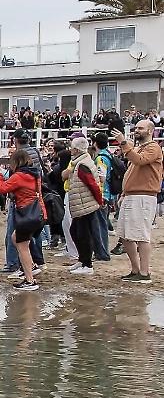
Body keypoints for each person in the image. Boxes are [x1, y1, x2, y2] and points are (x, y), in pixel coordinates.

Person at [113, 120, 163, 283]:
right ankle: (135, 270)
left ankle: (145, 272)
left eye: (140, 128)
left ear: (150, 130)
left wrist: (123, 143)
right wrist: (124, 193)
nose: (136, 130)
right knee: (126, 236)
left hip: (144, 196)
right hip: (131, 196)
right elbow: (131, 170)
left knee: (141, 235)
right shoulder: (137, 148)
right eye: (136, 128)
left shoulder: (153, 147)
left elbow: (139, 160)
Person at [0, 149, 46, 290]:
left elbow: (1, 189)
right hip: (38, 213)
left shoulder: (19, 176)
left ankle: (30, 281)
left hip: (26, 215)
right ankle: (32, 267)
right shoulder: (34, 173)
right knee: (16, 238)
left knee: (22, 246)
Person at [62, 136, 104, 275]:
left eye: (72, 148)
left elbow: (92, 184)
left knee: (83, 233)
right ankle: (82, 260)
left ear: (76, 149)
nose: (70, 150)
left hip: (85, 203)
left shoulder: (82, 164)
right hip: (82, 202)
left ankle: (87, 264)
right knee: (75, 231)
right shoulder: (80, 162)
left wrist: (99, 200)